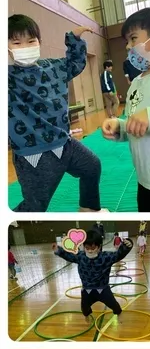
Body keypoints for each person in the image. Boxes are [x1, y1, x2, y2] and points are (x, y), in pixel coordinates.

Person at [8, 14, 105, 212]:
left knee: (92, 166)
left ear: (39, 42)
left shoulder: (53, 67)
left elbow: (75, 63)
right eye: (17, 42)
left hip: (65, 144)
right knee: (35, 205)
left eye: (31, 41)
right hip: (33, 154)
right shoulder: (8, 77)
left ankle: (88, 209)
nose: (25, 47)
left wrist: (75, 39)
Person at [101, 8, 150, 212]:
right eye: (127, 42)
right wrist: (120, 128)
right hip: (144, 177)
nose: (128, 47)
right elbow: (136, 123)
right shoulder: (135, 84)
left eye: (133, 39)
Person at [52, 230, 133, 323]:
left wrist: (127, 245)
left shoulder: (106, 257)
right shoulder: (80, 256)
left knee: (114, 304)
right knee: (84, 309)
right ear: (84, 247)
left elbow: (118, 254)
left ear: (99, 247)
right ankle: (87, 316)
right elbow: (68, 255)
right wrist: (58, 250)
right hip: (87, 290)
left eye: (93, 248)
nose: (90, 250)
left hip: (103, 289)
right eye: (87, 248)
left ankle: (119, 314)